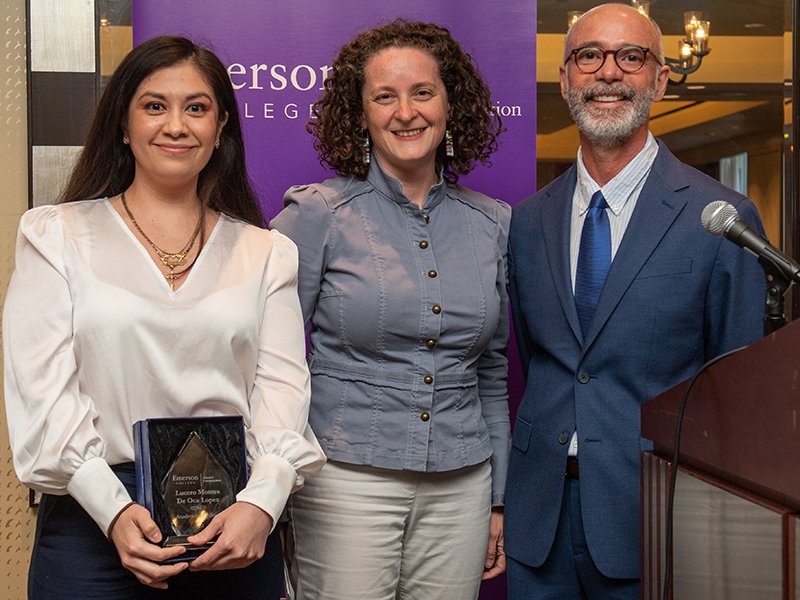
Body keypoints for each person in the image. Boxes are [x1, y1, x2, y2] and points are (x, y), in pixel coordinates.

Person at [3, 35, 325, 599]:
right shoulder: (55, 236)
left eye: (196, 108)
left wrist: (263, 503)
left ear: (220, 126)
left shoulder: (267, 252)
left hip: (234, 519)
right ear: (123, 125)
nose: (176, 124)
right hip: (95, 515)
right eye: (155, 106)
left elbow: (282, 391)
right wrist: (114, 510)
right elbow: (42, 392)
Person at [504, 4, 766, 599]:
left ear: (661, 79)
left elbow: (735, 396)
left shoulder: (719, 219)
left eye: (632, 57)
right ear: (566, 77)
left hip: (654, 517)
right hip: (538, 518)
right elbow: (538, 358)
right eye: (589, 56)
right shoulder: (527, 221)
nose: (609, 73)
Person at [270, 19, 510, 600]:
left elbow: (493, 375)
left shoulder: (493, 223)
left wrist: (497, 500)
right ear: (362, 114)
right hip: (343, 480)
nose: (406, 112)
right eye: (385, 96)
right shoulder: (318, 214)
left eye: (422, 92)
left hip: (463, 485)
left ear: (452, 104)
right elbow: (266, 361)